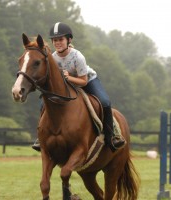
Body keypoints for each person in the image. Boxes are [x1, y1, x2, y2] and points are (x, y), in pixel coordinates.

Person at [32, 22, 125, 152]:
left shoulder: (78, 56)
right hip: (67, 85)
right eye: (55, 40)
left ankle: (112, 136)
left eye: (61, 39)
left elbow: (83, 81)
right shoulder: (52, 58)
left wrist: (68, 77)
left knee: (105, 102)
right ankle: (41, 137)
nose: (57, 42)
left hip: (87, 80)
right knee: (43, 103)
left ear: (69, 40)